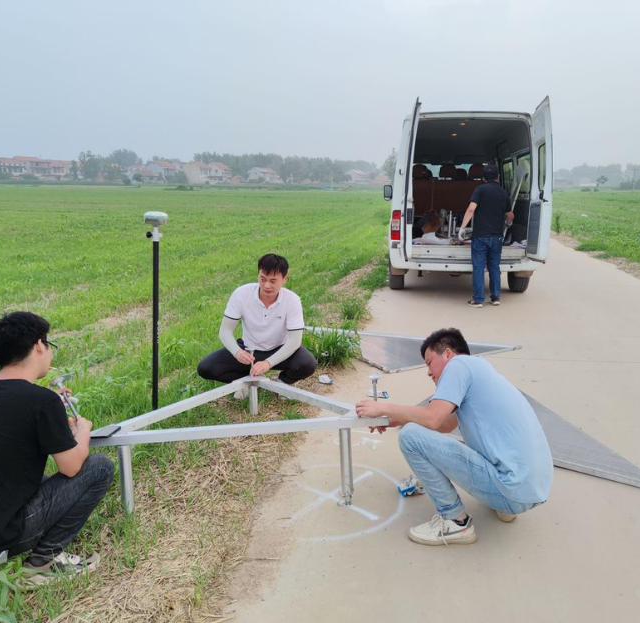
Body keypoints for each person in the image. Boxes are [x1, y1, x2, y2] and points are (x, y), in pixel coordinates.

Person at [0, 312, 114, 581]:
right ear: (39, 345)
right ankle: (44, 561)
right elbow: (72, 466)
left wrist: (51, 409)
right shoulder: (41, 402)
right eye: (49, 344)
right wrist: (82, 431)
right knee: (99, 467)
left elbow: (7, 424)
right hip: (1, 532)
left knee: (27, 479)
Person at [355, 328, 552, 546]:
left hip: (511, 489)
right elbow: (444, 425)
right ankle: (504, 507)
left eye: (429, 363)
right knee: (414, 430)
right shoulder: (480, 370)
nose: (428, 372)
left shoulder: (458, 365)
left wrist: (383, 407)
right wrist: (393, 419)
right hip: (530, 489)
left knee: (410, 437)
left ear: (448, 354)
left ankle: (456, 522)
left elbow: (433, 419)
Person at [197, 254, 317, 398]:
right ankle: (246, 381)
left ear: (284, 279)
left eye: (273, 281)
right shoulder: (241, 294)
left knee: (307, 363)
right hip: (249, 349)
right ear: (258, 274)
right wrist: (237, 352)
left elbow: (295, 341)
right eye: (263, 279)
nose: (267, 285)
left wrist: (268, 363)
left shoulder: (292, 300)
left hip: (279, 348)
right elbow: (225, 331)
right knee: (206, 368)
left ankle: (282, 383)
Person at [458, 163, 513, 307]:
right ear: (498, 176)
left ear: (483, 177)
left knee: (478, 268)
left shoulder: (480, 190)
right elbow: (510, 215)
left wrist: (462, 228)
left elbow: (471, 209)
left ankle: (478, 300)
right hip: (496, 236)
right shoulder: (503, 192)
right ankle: (495, 298)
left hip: (480, 236)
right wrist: (509, 223)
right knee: (494, 267)